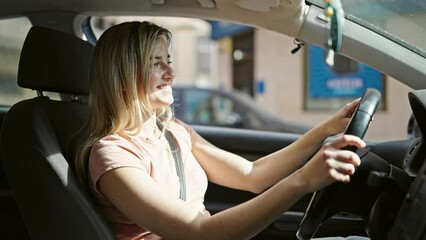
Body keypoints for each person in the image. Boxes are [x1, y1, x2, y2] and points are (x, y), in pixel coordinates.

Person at [75, 21, 366, 240]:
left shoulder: (172, 130)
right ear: (123, 77)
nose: (171, 73)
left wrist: (327, 128)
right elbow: (200, 233)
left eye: (169, 61)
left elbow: (252, 175)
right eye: (156, 64)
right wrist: (303, 180)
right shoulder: (112, 155)